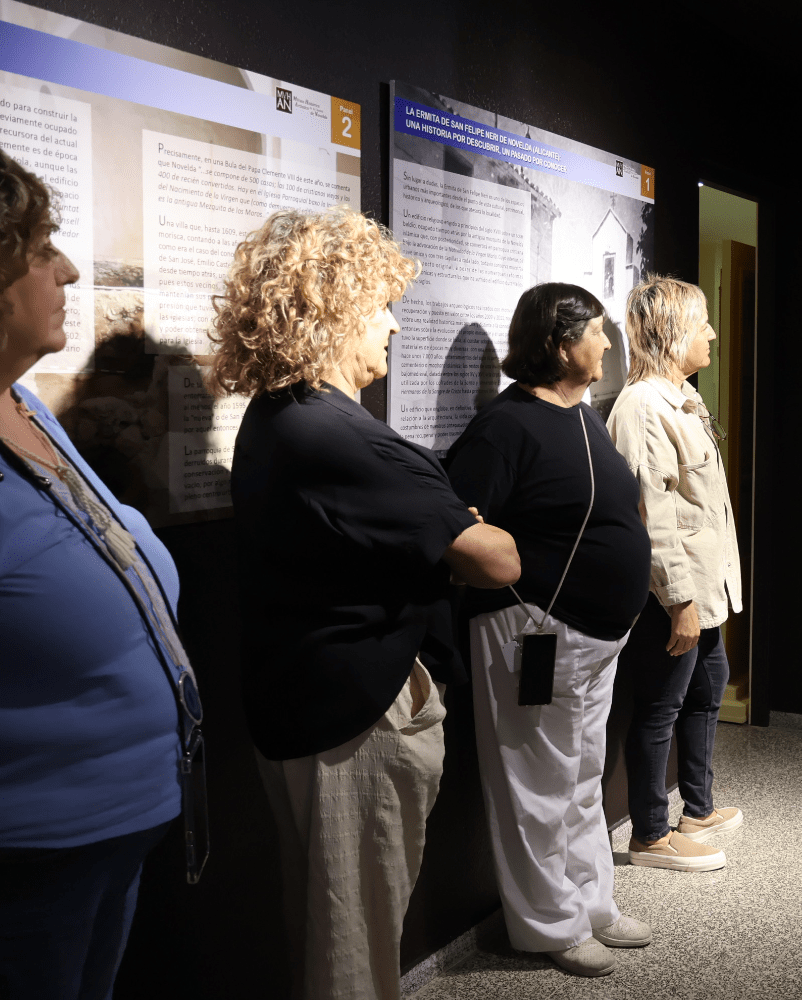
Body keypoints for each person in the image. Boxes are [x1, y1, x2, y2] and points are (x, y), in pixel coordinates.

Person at [211, 206, 520, 1000]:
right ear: (333, 309)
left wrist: (445, 525)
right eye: (379, 305)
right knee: (354, 940)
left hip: (312, 707)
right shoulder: (337, 436)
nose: (392, 325)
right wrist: (459, 528)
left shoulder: (282, 419)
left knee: (333, 922)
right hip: (354, 723)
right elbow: (497, 559)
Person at [0, 149, 202, 999]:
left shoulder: (23, 404)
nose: (70, 271)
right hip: (28, 851)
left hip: (110, 831)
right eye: (41, 247)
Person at [445, 282, 655, 977]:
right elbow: (461, 524)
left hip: (595, 638)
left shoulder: (583, 415)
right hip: (535, 631)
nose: (606, 342)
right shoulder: (504, 427)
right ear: (559, 344)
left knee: (583, 775)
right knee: (536, 784)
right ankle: (548, 925)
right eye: (596, 331)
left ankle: (591, 904)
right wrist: (529, 597)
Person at [607, 274, 744, 871]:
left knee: (709, 687)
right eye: (702, 323)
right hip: (672, 594)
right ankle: (650, 835)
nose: (712, 333)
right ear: (671, 332)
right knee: (661, 706)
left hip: (702, 587)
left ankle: (698, 810)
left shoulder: (682, 395)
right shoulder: (643, 407)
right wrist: (680, 601)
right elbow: (651, 517)